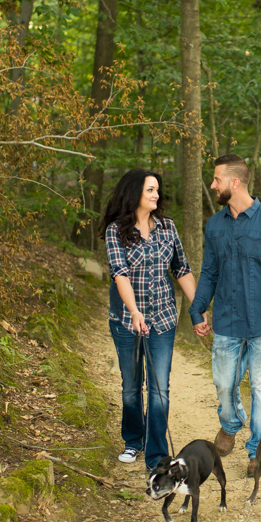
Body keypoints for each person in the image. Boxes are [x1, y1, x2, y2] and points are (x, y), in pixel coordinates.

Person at [190, 154, 261, 477]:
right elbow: (209, 271)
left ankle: (259, 451)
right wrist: (198, 308)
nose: (213, 185)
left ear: (234, 183)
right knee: (224, 383)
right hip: (227, 320)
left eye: (217, 179)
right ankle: (231, 423)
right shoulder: (215, 225)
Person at [101, 168, 197, 472]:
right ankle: (133, 441)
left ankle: (156, 454)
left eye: (157, 190)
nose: (156, 195)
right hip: (127, 321)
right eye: (150, 190)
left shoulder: (168, 227)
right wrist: (134, 310)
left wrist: (199, 307)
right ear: (134, 194)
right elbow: (120, 274)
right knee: (131, 385)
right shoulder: (116, 231)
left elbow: (181, 269)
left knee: (159, 388)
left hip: (164, 319)